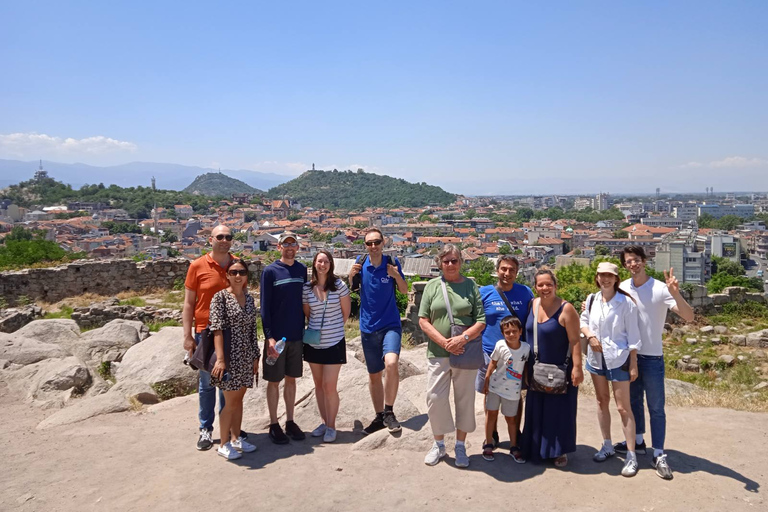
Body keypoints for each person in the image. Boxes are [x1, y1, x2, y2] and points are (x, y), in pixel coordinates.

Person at [617, 245, 694, 480]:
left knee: (656, 408)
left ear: (644, 261)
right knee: (633, 403)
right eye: (629, 261)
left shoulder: (660, 289)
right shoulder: (621, 288)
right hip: (628, 355)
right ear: (625, 265)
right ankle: (638, 441)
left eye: (637, 259)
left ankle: (659, 453)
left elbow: (689, 316)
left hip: (652, 356)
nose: (633, 264)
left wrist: (676, 292)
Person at [418, 245, 486, 468]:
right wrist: (445, 342)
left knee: (464, 401)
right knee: (435, 398)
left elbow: (481, 320)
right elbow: (423, 320)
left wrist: (461, 339)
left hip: (465, 352)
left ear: (460, 263)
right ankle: (438, 443)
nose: (450, 265)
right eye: (446, 261)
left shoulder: (470, 286)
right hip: (438, 352)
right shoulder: (432, 286)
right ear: (440, 263)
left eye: (454, 260)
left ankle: (460, 444)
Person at [579, 262, 642, 477]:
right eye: (601, 275)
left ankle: (631, 454)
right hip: (597, 359)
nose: (605, 279)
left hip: (619, 358)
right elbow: (583, 321)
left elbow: (633, 335)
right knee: (601, 401)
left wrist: (633, 363)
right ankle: (607, 444)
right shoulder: (592, 299)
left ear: (616, 279)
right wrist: (590, 336)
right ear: (597, 277)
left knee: (623, 407)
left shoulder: (626, 302)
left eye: (609, 276)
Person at [521, 269, 584, 467]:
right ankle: (535, 449)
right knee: (536, 408)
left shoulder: (566, 309)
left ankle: (559, 451)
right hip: (535, 366)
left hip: (560, 367)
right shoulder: (532, 304)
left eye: (549, 284)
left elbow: (575, 341)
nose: (545, 288)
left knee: (560, 411)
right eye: (540, 285)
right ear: (535, 287)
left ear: (555, 285)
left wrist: (577, 368)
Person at [348, 227, 408, 435]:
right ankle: (379, 416)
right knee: (374, 375)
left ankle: (389, 410)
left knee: (391, 363)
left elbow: (404, 290)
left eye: (376, 242)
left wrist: (396, 275)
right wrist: (350, 276)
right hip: (367, 326)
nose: (373, 246)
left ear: (383, 243)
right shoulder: (361, 262)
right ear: (365, 245)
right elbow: (354, 289)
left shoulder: (391, 263)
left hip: (390, 324)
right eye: (369, 243)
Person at [183, 224, 236, 451]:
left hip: (230, 331)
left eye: (228, 236)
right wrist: (187, 336)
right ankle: (206, 428)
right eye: (220, 236)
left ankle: (228, 427)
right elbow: (188, 303)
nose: (224, 240)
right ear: (211, 240)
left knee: (227, 383)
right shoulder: (197, 266)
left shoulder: (236, 265)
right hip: (205, 331)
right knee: (207, 384)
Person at [478, 255, 533, 447]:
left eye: (511, 270)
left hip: (517, 355)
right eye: (503, 269)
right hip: (490, 353)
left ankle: (515, 435)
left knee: (516, 396)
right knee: (490, 395)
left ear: (516, 273)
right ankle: (491, 434)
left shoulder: (525, 292)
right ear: (497, 270)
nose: (507, 273)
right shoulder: (484, 292)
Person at [209, 259, 261, 460]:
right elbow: (217, 330)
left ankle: (236, 437)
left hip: (246, 356)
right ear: (227, 275)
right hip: (230, 357)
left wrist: (255, 356)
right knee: (230, 402)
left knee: (239, 401)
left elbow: (252, 330)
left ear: (247, 276)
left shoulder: (248, 299)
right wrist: (220, 360)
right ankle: (223, 444)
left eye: (241, 272)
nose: (238, 276)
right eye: (233, 272)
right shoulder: (220, 298)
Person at [260, 231, 308, 444]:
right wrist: (269, 336)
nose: (289, 248)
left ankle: (290, 420)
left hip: (296, 336)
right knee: (273, 381)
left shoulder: (301, 270)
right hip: (276, 339)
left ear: (297, 247)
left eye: (293, 244)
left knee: (291, 380)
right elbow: (265, 307)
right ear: (278, 247)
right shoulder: (270, 271)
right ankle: (273, 423)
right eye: (285, 244)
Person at [303, 250, 351, 443]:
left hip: (334, 342)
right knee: (319, 386)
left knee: (330, 387)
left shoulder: (339, 286)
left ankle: (332, 426)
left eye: (326, 261)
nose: (322, 265)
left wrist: (332, 329)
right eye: (319, 261)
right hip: (314, 343)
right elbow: (308, 314)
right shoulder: (307, 288)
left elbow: (345, 313)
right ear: (314, 264)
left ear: (330, 265)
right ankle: (324, 422)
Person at [481, 315, 529, 463]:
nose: (511, 334)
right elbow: (493, 363)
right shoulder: (500, 345)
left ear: (520, 331)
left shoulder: (526, 348)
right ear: (502, 333)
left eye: (514, 331)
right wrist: (487, 379)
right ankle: (488, 444)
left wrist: (526, 382)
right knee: (491, 415)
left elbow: (526, 366)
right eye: (507, 332)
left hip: (513, 390)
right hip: (495, 387)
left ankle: (514, 446)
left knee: (511, 419)